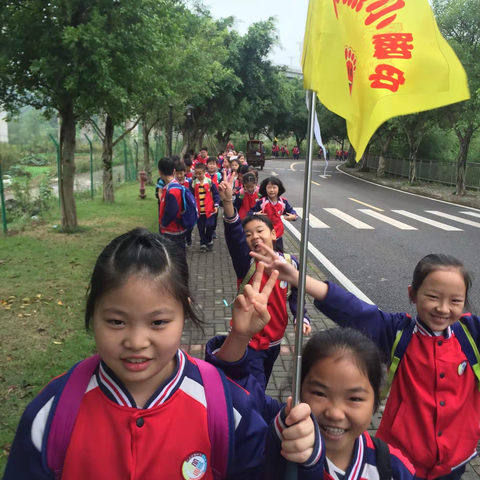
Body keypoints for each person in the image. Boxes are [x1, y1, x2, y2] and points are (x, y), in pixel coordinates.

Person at [3, 229, 270, 480]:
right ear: (93, 313)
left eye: (158, 322)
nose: (136, 342)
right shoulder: (51, 414)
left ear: (184, 314)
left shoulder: (225, 407)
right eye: (117, 322)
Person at [249, 248, 480, 480]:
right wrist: (297, 278)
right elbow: (356, 311)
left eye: (455, 301)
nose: (443, 308)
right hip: (405, 457)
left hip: (456, 457)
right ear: (412, 294)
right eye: (433, 297)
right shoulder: (398, 331)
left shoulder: (471, 334)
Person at [206, 314, 415, 480]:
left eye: (354, 399)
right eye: (320, 393)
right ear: (297, 391)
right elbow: (235, 391)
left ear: (375, 403)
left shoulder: (394, 469)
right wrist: (240, 337)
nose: (334, 413)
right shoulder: (281, 432)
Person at [218, 173, 310, 390]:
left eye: (260, 231)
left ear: (273, 234)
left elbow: (297, 292)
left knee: (263, 382)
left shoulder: (289, 262)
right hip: (249, 343)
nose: (254, 237)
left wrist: (301, 317)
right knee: (256, 390)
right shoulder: (245, 262)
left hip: (276, 340)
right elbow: (234, 236)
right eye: (248, 234)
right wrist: (228, 202)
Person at [248, 177, 298, 252]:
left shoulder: (283, 202)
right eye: (269, 187)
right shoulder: (261, 202)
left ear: (279, 188)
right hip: (265, 235)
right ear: (265, 189)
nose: (272, 190)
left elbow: (292, 212)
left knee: (279, 255)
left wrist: (293, 216)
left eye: (274, 187)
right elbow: (249, 213)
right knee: (264, 254)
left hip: (278, 235)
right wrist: (256, 214)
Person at [157, 157, 187, 258]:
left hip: (173, 232)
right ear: (174, 171)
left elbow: (172, 211)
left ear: (159, 172)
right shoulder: (171, 187)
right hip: (173, 231)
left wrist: (164, 224)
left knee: (176, 261)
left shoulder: (173, 190)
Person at [190, 163, 220, 252]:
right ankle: (203, 242)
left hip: (209, 210)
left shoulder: (210, 182)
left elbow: (216, 195)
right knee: (201, 227)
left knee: (210, 225)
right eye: (196, 173)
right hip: (199, 211)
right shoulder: (194, 183)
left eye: (200, 173)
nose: (198, 175)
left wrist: (216, 205)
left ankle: (209, 240)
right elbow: (191, 196)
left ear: (204, 172)